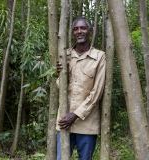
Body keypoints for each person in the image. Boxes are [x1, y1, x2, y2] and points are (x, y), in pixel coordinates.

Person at [56, 17, 106, 160]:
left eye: (83, 28)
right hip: (64, 122)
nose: (79, 31)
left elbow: (97, 92)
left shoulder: (99, 56)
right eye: (76, 29)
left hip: (87, 124)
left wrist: (75, 114)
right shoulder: (64, 55)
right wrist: (59, 73)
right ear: (72, 32)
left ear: (90, 31)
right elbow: (60, 88)